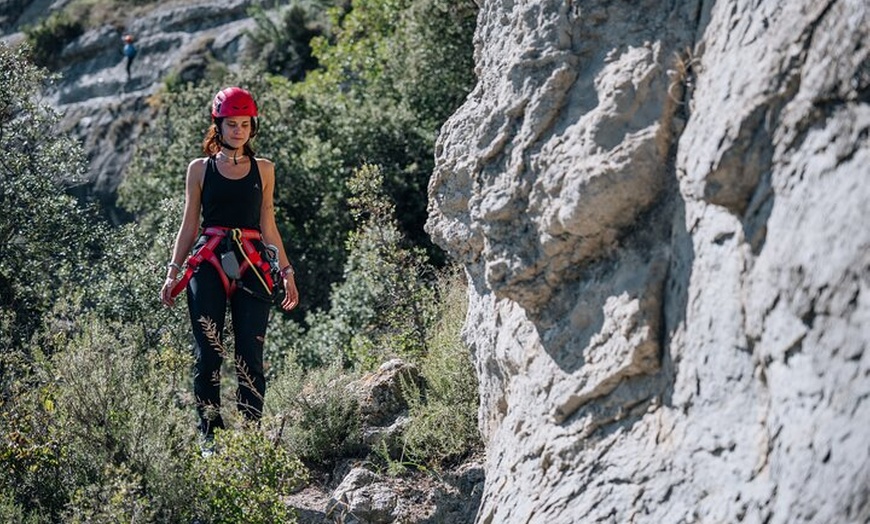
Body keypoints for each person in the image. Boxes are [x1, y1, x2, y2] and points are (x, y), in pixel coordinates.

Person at [159, 86, 299, 449]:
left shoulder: (264, 170)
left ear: (253, 127)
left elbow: (268, 223)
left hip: (253, 265)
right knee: (209, 353)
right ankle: (210, 438)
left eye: (244, 124)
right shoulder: (200, 169)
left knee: (250, 356)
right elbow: (189, 224)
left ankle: (250, 441)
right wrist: (173, 271)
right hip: (208, 263)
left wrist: (286, 271)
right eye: (231, 123)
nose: (238, 130)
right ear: (217, 125)